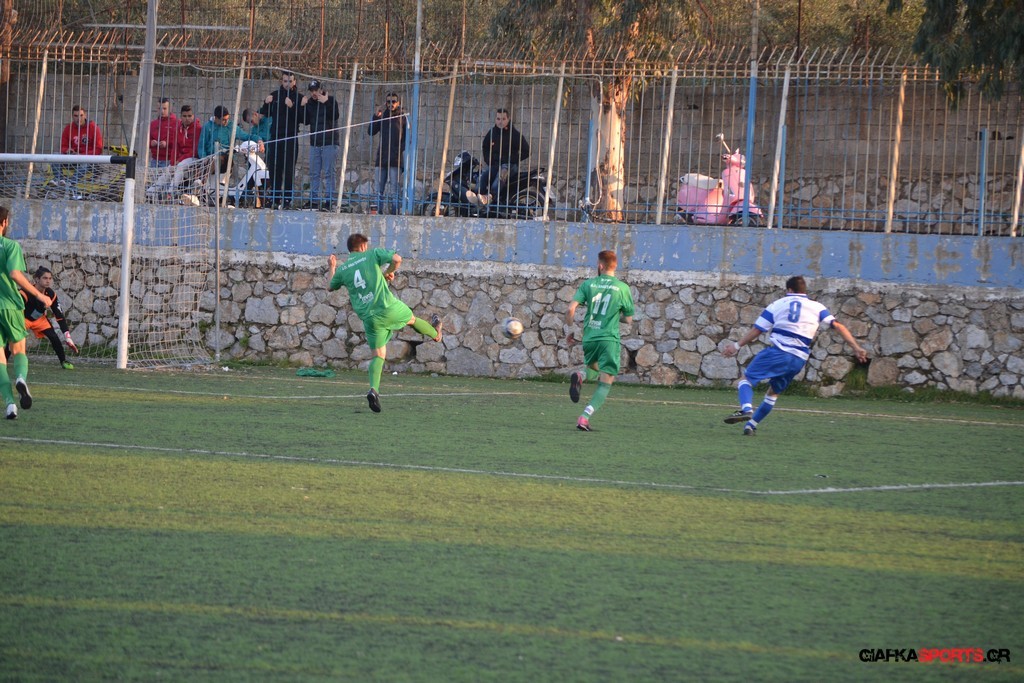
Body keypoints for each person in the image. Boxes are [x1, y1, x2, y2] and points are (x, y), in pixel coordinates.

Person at [722, 275, 869, 435]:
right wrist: (856, 347)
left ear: (789, 290)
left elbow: (758, 330)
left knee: (746, 380)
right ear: (804, 290)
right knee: (773, 393)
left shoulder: (777, 304)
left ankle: (746, 409)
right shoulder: (817, 307)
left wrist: (736, 346)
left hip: (778, 352)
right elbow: (838, 326)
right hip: (798, 359)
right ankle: (751, 426)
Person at [327, 233, 442, 413]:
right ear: (363, 246)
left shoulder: (343, 269)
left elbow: (330, 286)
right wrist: (389, 272)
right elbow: (397, 259)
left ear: (350, 249)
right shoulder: (372, 254)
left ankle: (374, 390)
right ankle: (436, 334)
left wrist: (332, 267)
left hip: (370, 318)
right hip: (388, 308)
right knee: (412, 320)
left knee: (378, 356)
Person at [564, 249, 635, 432]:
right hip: (608, 339)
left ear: (600, 266)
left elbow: (570, 309)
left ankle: (581, 376)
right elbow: (628, 320)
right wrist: (615, 315)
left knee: (594, 368)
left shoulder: (588, 284)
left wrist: (571, 328)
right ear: (615, 266)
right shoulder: (622, 288)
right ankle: (584, 418)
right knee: (606, 381)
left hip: (590, 338)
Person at [0, 206, 54, 420]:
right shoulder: (10, 245)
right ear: (5, 222)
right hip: (11, 305)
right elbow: (15, 274)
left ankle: (10, 405)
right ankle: (21, 378)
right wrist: (39, 295)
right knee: (18, 349)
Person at [466, 107, 530, 208]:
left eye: (503, 119)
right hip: (495, 164)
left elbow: (527, 151)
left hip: (509, 166)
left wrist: (511, 159)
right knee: (483, 176)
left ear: (508, 119)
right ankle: (478, 200)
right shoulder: (492, 133)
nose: (500, 122)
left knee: (500, 177)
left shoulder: (515, 135)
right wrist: (489, 160)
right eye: (498, 119)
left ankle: (490, 197)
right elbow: (485, 146)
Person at [259, 71, 304, 209]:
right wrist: (266, 103)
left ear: (294, 82)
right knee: (274, 168)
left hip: (290, 136)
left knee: (289, 169)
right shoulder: (275, 95)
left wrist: (292, 107)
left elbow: (304, 119)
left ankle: (288, 200)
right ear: (281, 81)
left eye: (290, 81)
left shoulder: (299, 97)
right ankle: (275, 198)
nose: (287, 84)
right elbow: (264, 113)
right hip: (276, 136)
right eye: (285, 81)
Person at [21, 267, 78, 370]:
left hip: (39, 320)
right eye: (45, 278)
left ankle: (63, 361)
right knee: (14, 339)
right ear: (37, 279)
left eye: (50, 278)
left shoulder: (51, 294)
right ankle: (4, 360)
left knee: (54, 337)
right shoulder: (26, 291)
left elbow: (59, 316)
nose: (48, 281)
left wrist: (68, 338)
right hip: (23, 319)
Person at [198, 105, 259, 200]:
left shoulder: (231, 127)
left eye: (227, 119)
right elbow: (202, 146)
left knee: (220, 159)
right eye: (223, 120)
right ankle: (201, 185)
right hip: (209, 159)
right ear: (216, 118)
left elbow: (246, 136)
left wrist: (259, 140)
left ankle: (202, 181)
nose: (226, 122)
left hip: (227, 159)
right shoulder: (207, 127)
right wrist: (204, 158)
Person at [302, 80, 340, 211]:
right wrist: (302, 107)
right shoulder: (310, 103)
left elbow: (335, 115)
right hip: (315, 143)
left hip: (330, 142)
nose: (314, 93)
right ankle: (314, 201)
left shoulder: (331, 100)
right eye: (312, 90)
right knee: (314, 173)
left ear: (321, 89)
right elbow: (305, 121)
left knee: (329, 173)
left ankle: (329, 201)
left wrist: (326, 102)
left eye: (316, 90)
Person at [368, 91, 407, 215]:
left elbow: (406, 139)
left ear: (398, 103)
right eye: (388, 102)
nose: (391, 104)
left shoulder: (402, 117)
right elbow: (371, 131)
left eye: (393, 101)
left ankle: (395, 212)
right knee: (379, 188)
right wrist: (376, 116)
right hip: (382, 157)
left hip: (395, 159)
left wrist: (399, 151)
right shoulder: (383, 116)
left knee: (394, 188)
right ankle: (378, 211)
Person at [58, 105, 104, 199]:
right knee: (54, 158)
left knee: (84, 163)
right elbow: (63, 147)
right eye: (76, 116)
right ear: (72, 116)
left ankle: (70, 184)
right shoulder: (68, 128)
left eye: (81, 115)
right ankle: (60, 181)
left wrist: (82, 155)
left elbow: (98, 149)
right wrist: (67, 150)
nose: (78, 118)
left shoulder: (93, 127)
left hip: (89, 161)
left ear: (85, 115)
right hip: (73, 159)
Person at [146, 97, 176, 195]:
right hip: (155, 160)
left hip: (168, 161)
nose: (162, 111)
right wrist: (151, 143)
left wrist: (167, 143)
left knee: (165, 188)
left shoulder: (176, 123)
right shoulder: (153, 124)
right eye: (159, 108)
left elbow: (178, 140)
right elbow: (146, 139)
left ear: (170, 109)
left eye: (164, 108)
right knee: (154, 186)